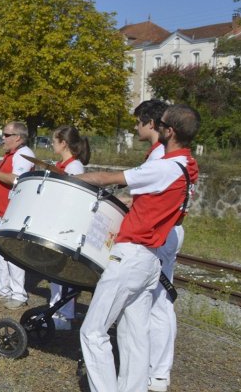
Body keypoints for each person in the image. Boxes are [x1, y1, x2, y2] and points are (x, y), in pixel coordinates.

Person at [76, 104, 199, 392]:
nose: (155, 127)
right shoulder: (188, 165)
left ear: (169, 131)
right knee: (134, 335)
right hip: (150, 260)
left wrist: (72, 179)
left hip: (132, 255)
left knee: (93, 332)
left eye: (161, 124)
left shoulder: (164, 167)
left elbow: (108, 179)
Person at [133, 99, 183, 392]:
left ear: (151, 124)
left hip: (163, 233)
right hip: (161, 231)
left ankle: (159, 373)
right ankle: (153, 367)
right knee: (153, 302)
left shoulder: (161, 156)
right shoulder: (156, 154)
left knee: (160, 305)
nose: (135, 127)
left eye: (139, 121)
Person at [0, 121, 35, 310]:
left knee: (13, 254)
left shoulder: (23, 154)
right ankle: (3, 288)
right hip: (1, 209)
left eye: (6, 135)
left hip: (12, 211)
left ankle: (18, 294)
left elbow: (17, 179)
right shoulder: (12, 154)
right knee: (0, 252)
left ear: (18, 137)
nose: (2, 138)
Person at [48, 125, 91, 330]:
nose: (52, 144)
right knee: (54, 269)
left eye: (54, 140)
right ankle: (56, 309)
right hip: (58, 220)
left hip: (67, 225)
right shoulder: (63, 164)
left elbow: (73, 199)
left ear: (63, 143)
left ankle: (65, 314)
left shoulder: (75, 167)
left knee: (63, 271)